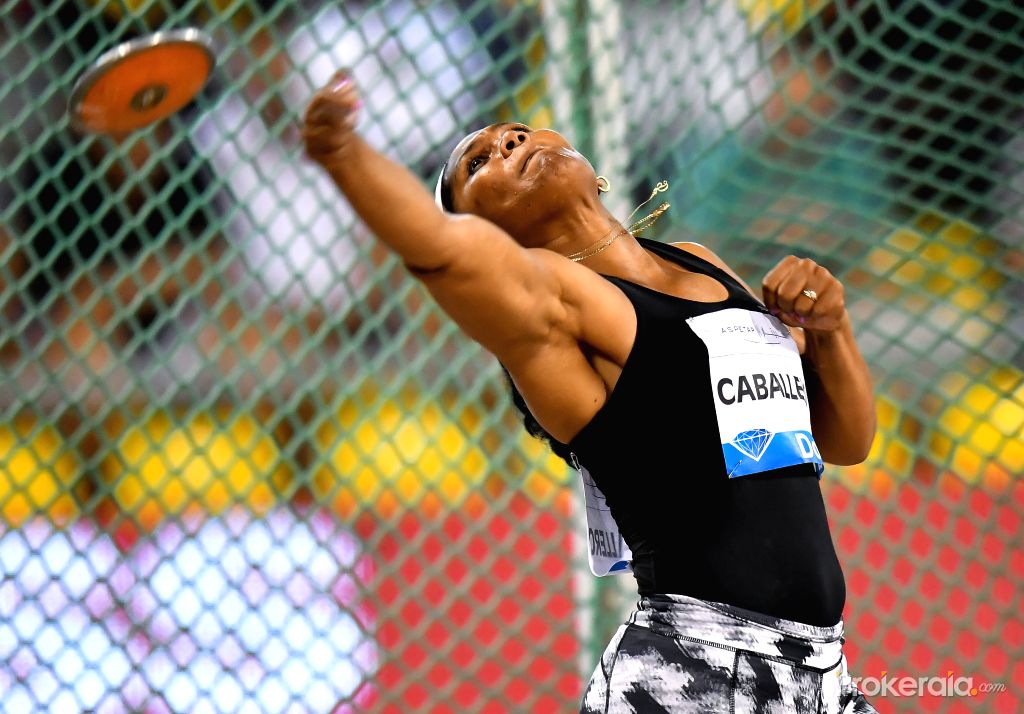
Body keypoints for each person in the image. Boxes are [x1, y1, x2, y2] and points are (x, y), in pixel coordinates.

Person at [303, 70, 879, 713]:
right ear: (490, 237)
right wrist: (343, 155)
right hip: (691, 676)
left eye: (516, 133)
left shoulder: (701, 261)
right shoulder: (553, 307)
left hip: (823, 672)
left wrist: (831, 328)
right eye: (478, 163)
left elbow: (845, 440)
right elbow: (436, 251)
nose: (508, 146)